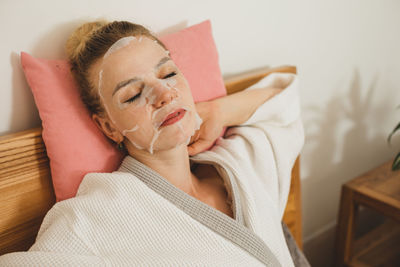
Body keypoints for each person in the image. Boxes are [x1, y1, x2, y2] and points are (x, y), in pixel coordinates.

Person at [0, 20, 307, 266]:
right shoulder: (94, 217)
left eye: (168, 73)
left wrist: (216, 110)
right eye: (133, 94)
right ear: (109, 126)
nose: (164, 94)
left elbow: (285, 104)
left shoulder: (241, 159)